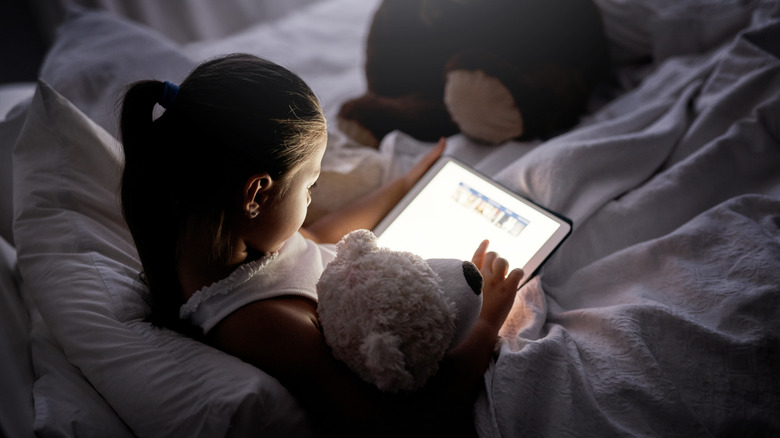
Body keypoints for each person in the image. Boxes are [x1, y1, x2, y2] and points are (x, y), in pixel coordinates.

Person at [120, 53, 523, 436]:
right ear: (256, 194)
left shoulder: (227, 242)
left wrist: (402, 186)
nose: (312, 198)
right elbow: (393, 425)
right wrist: (487, 322)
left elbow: (313, 237)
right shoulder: (259, 325)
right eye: (309, 185)